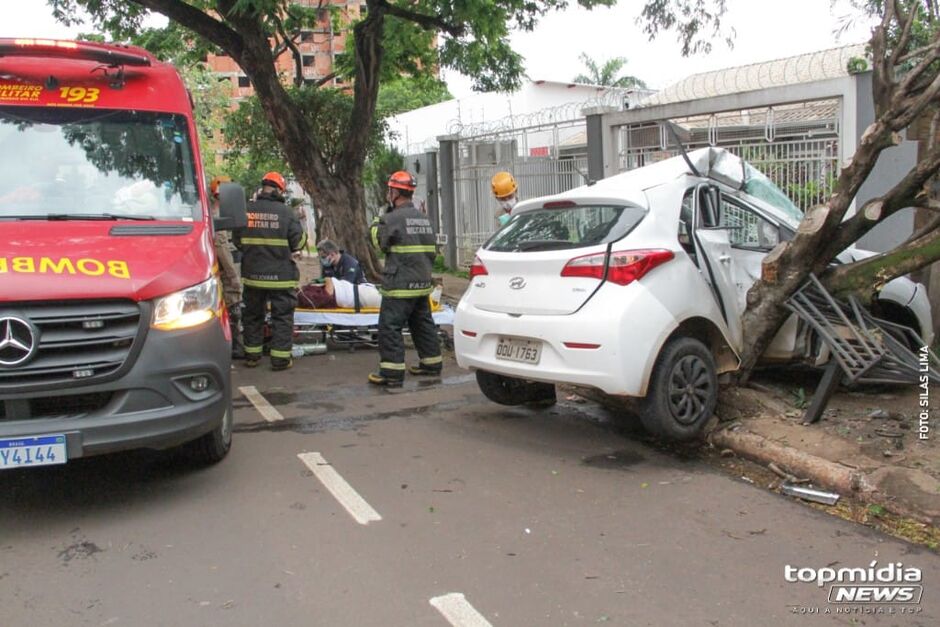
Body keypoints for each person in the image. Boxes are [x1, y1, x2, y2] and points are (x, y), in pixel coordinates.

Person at [367, 170, 442, 387]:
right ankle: (432, 363)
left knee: (389, 326)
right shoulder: (425, 219)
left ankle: (391, 372)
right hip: (422, 283)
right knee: (422, 323)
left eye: (389, 190)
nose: (388, 194)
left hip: (400, 284)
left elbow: (377, 241)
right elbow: (432, 250)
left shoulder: (391, 218)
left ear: (396, 192)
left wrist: (377, 219)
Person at [233, 171, 307, 371]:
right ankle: (280, 360)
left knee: (252, 315)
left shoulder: (247, 210)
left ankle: (252, 356)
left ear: (263, 187)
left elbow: (237, 241)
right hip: (281, 277)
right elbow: (298, 242)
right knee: (281, 317)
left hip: (253, 276)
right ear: (278, 190)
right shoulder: (286, 213)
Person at [209, 175, 245, 359]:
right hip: (227, 273)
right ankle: (236, 347)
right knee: (234, 307)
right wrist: (234, 278)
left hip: (224, 270)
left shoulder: (215, 213)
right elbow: (223, 251)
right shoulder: (219, 217)